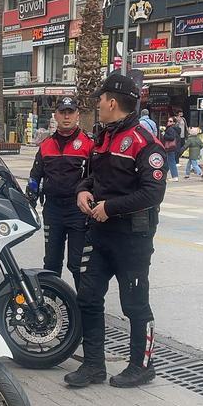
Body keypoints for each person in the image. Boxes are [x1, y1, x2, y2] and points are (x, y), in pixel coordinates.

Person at [67, 72, 166, 388]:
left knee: (135, 304)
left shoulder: (145, 143)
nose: (97, 105)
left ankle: (142, 365)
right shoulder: (103, 137)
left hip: (132, 238)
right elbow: (92, 176)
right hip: (101, 235)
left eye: (99, 99)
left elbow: (153, 193)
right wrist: (83, 190)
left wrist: (110, 207)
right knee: (88, 297)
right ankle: (94, 366)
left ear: (112, 101)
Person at [27, 97, 94, 285]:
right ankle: (51, 303)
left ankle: (84, 307)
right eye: (62, 112)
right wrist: (29, 197)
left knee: (78, 263)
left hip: (78, 211)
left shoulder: (88, 144)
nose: (66, 117)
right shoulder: (46, 144)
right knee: (51, 263)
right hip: (53, 210)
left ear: (77, 115)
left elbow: (96, 177)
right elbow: (35, 176)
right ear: (55, 115)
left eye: (70, 112)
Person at [162, 117, 181, 182]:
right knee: (167, 162)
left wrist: (164, 135)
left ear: (173, 122)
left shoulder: (171, 129)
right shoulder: (175, 129)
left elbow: (171, 138)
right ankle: (163, 175)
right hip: (174, 148)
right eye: (168, 121)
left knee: (171, 162)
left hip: (170, 148)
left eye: (170, 121)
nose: (168, 122)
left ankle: (175, 176)